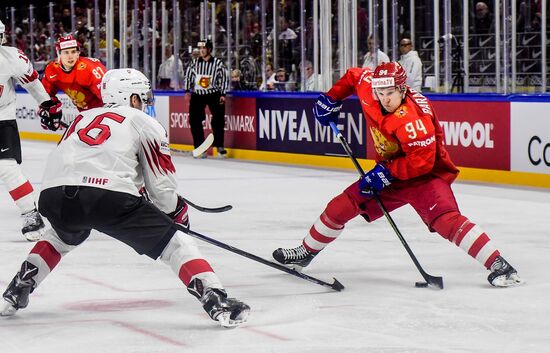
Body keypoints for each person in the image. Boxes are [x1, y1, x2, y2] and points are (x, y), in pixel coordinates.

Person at [0, 68, 250, 327]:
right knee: (175, 244)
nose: (144, 102)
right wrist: (176, 214)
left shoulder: (81, 118)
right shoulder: (145, 122)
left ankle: (18, 288)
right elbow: (162, 188)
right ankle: (215, 298)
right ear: (132, 98)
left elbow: (78, 163)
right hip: (106, 197)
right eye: (142, 97)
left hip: (53, 197)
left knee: (61, 237)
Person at [272, 62, 522, 288]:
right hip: (390, 173)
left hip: (424, 177)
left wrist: (385, 173)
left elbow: (421, 163)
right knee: (340, 207)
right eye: (381, 93)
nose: (384, 99)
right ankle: (306, 251)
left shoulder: (414, 119)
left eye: (390, 93)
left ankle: (500, 266)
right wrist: (331, 98)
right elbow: (353, 76)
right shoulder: (372, 89)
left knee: (446, 220)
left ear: (403, 89)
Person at [0, 19, 63, 241]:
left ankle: (30, 214)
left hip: (2, 118)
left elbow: (33, 83)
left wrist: (46, 104)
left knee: (6, 168)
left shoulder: (11, 58)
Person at [184, 39, 229, 158]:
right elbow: (188, 76)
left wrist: (223, 94)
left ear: (209, 49)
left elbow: (224, 78)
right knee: (194, 120)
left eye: (204, 48)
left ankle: (219, 146)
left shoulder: (218, 63)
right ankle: (200, 147)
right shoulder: (194, 63)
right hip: (198, 94)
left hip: (213, 94)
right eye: (200, 48)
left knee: (218, 119)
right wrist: (187, 90)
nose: (201, 50)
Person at [42, 34, 107, 112]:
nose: (70, 56)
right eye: (66, 52)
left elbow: (108, 98)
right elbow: (45, 96)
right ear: (59, 54)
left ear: (78, 53)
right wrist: (46, 107)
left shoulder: (89, 69)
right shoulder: (52, 70)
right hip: (84, 113)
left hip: (103, 110)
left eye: (73, 52)